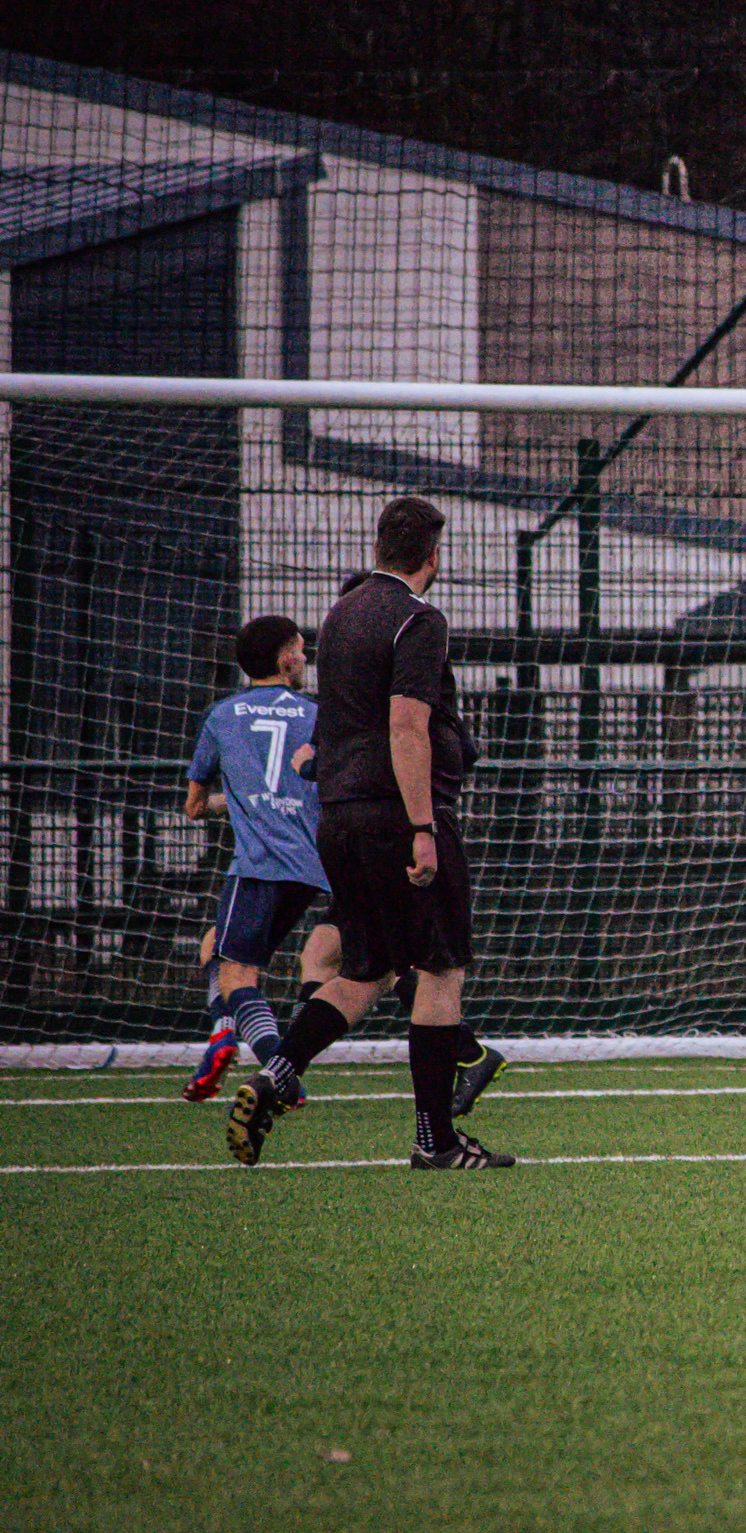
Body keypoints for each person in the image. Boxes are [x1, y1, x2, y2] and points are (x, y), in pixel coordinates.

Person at [225, 499, 508, 1169]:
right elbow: (406, 725)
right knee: (440, 970)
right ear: (431, 556)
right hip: (396, 813)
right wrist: (422, 827)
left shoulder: (341, 611)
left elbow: (340, 713)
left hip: (340, 817)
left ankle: (276, 1074)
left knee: (366, 970)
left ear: (379, 544)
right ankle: (435, 1140)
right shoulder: (418, 617)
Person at [178, 615, 338, 1103]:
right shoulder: (316, 715)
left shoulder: (223, 714)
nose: (306, 657)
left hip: (257, 865)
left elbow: (194, 804)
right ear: (286, 658)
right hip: (310, 869)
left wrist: (240, 798)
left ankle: (278, 1074)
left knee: (232, 970)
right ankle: (226, 1040)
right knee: (219, 945)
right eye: (302, 649)